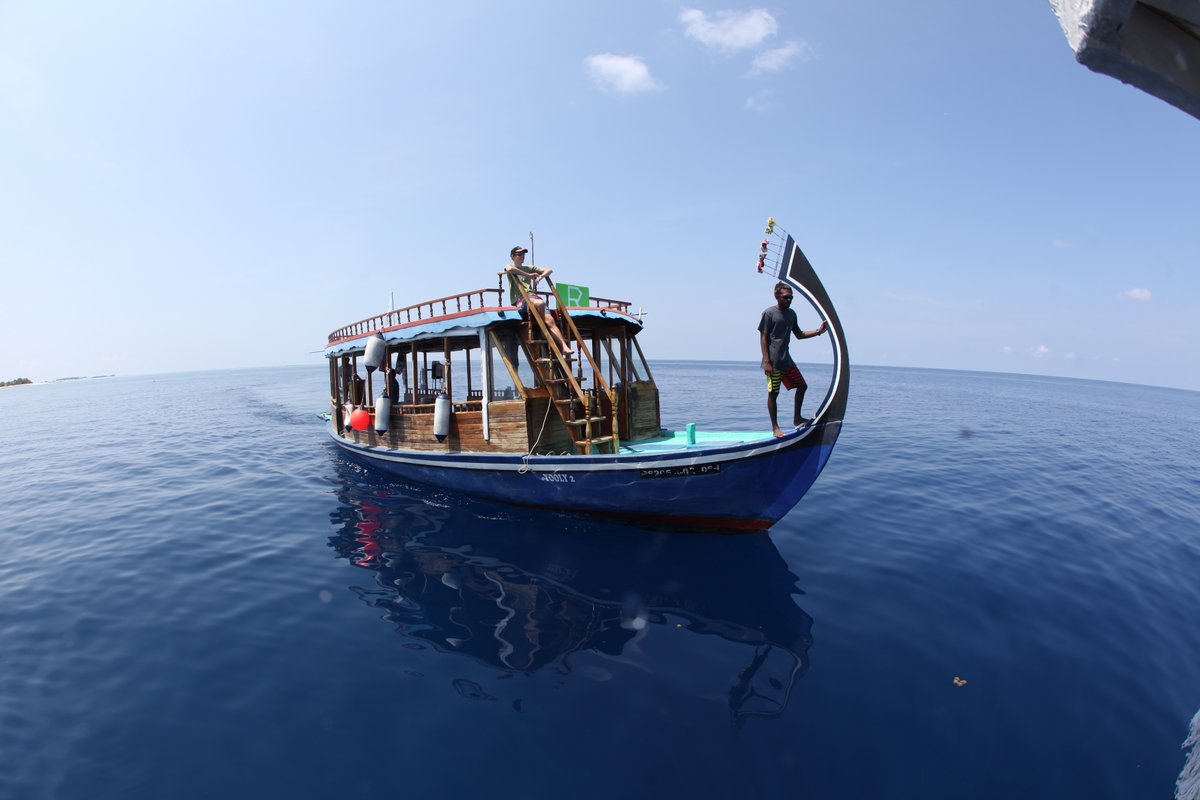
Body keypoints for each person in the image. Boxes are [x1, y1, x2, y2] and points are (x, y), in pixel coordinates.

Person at [759, 281, 828, 437]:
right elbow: (763, 337)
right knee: (773, 394)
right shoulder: (769, 313)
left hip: (786, 360)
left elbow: (799, 334)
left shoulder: (792, 314)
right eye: (786, 297)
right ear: (777, 296)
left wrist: (819, 331)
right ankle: (775, 427)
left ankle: (797, 418)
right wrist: (766, 361)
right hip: (773, 362)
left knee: (802, 386)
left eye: (791, 297)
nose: (789, 300)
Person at [504, 246, 574, 357]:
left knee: (550, 320)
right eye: (519, 255)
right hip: (520, 299)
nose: (522, 257)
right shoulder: (510, 266)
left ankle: (564, 347)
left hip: (532, 297)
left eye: (523, 255)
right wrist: (528, 275)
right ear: (512, 256)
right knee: (540, 303)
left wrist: (540, 277)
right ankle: (543, 330)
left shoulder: (528, 267)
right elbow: (509, 269)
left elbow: (549, 270)